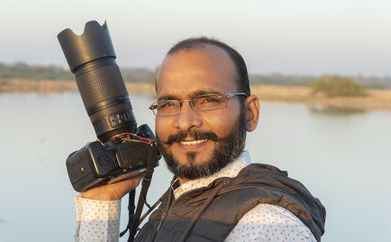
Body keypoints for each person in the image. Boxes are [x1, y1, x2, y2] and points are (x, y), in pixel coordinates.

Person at [74, 37, 326, 242]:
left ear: (250, 113)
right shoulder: (180, 200)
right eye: (168, 103)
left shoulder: (267, 227)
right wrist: (102, 200)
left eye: (208, 100)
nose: (184, 122)